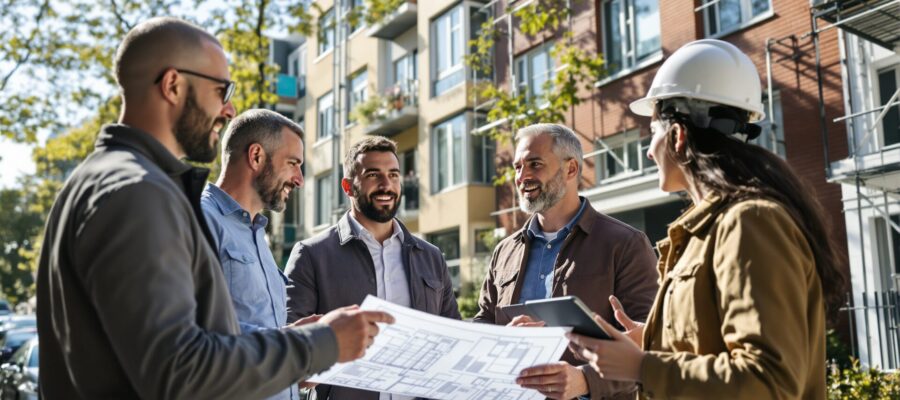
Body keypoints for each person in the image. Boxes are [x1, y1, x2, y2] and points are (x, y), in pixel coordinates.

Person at [36, 17, 393, 399]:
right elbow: (179, 371)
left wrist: (292, 350)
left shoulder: (99, 181)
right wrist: (321, 343)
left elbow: (175, 351)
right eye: (220, 90)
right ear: (173, 85)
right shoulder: (138, 192)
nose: (228, 110)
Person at [566, 39, 846, 399]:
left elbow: (769, 380)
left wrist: (640, 366)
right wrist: (652, 341)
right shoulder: (709, 230)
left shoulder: (751, 223)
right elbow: (711, 348)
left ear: (678, 136)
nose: (650, 151)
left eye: (652, 132)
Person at [473, 123, 659, 400]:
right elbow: (483, 321)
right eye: (517, 167)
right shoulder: (504, 251)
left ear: (571, 169)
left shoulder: (625, 244)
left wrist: (586, 381)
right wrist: (502, 338)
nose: (522, 176)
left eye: (534, 164)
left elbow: (652, 341)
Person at [285, 136, 461, 400]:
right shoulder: (311, 255)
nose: (386, 185)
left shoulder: (431, 256)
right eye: (373, 175)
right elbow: (288, 351)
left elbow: (453, 337)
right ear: (348, 187)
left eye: (393, 174)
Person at [201, 108, 319, 400]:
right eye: (293, 163)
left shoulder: (258, 234)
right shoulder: (198, 220)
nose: (299, 179)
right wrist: (292, 345)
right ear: (256, 156)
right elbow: (194, 333)